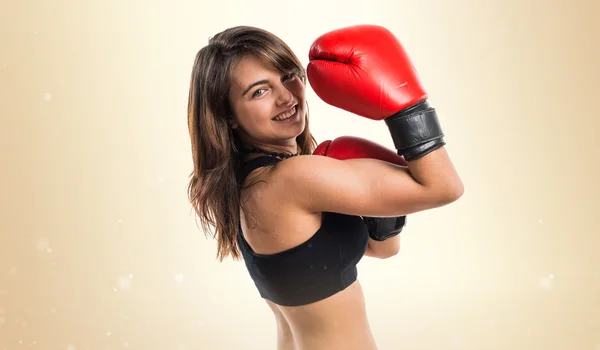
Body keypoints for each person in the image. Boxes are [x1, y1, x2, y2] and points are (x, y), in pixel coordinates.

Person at [187, 24, 464, 350]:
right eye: (259, 91)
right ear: (228, 115)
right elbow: (445, 187)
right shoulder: (290, 180)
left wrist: (385, 206)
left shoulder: (246, 184)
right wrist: (406, 106)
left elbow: (382, 249)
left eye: (288, 75)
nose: (287, 96)